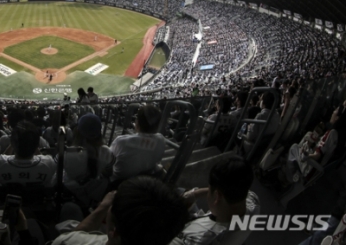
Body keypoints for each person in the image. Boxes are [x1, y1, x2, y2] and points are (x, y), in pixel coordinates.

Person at [52, 176, 189, 245]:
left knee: (70, 209)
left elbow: (70, 238)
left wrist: (102, 207)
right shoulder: (178, 241)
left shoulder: (69, 241)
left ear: (113, 232)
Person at [170, 156, 260, 245]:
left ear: (217, 196)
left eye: (210, 189)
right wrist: (194, 194)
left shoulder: (197, 239)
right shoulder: (253, 203)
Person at [0, 121, 56, 187]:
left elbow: (3, 157)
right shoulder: (49, 164)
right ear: (37, 145)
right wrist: (32, 143)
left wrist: (13, 143)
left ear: (13, 143)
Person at [110, 105, 166, 181]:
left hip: (119, 183)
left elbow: (108, 162)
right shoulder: (161, 140)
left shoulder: (121, 141)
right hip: (146, 181)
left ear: (137, 123)